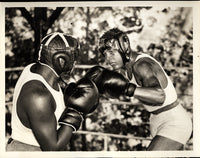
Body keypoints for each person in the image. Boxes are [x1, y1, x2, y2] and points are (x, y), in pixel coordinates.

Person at [85, 28, 192, 150]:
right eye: (105, 54)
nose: (108, 59)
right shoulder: (126, 69)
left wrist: (126, 88)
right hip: (157, 120)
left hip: (174, 122)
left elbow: (160, 96)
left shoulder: (141, 65)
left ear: (123, 48)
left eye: (111, 52)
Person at [6, 32, 99, 151]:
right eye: (74, 58)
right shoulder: (38, 96)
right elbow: (53, 148)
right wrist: (76, 111)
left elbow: (55, 90)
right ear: (60, 60)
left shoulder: (35, 69)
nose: (75, 63)